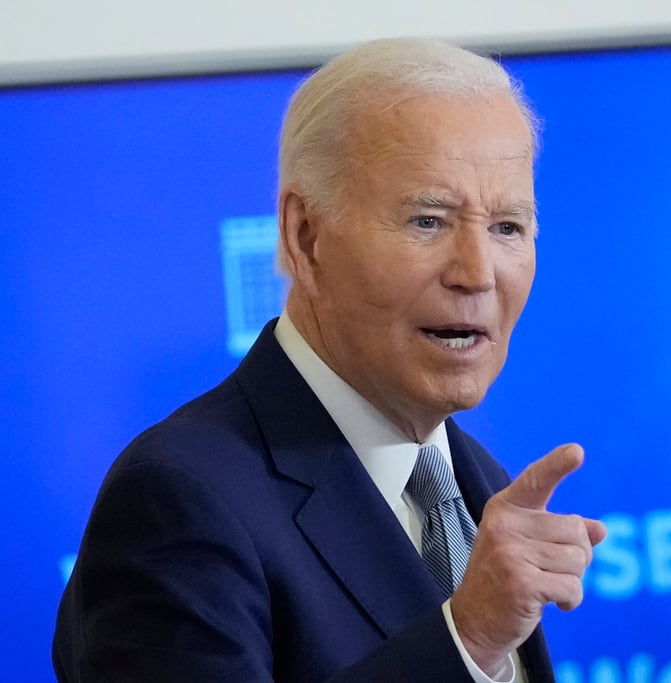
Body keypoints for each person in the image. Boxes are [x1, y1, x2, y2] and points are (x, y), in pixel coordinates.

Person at [52, 37, 606, 682]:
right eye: (428, 220)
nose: (477, 273)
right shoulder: (178, 498)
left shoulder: (475, 480)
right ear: (305, 237)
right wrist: (468, 638)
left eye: (507, 227)